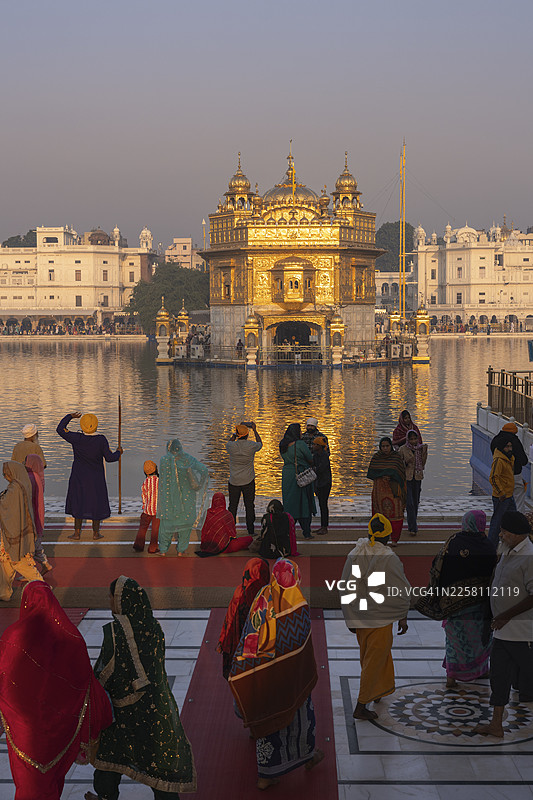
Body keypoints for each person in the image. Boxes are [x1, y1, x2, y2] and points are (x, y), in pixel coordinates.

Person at [85, 576, 196, 799]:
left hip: (123, 712)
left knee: (110, 757)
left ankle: (105, 796)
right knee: (158, 761)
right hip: (156, 707)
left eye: (111, 597)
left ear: (122, 601)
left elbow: (103, 674)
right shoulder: (154, 628)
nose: (109, 601)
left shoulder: (115, 634)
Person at [0, 581, 113, 800]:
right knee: (52, 780)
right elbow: (84, 684)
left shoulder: (13, 636)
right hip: (61, 733)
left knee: (28, 785)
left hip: (25, 732)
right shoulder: (70, 636)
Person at [229, 558, 324, 790]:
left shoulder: (263, 595)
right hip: (290, 676)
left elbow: (250, 635)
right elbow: (302, 645)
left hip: (262, 673)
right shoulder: (298, 603)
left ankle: (266, 775)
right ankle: (308, 756)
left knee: (268, 715)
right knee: (300, 716)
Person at [341, 514, 410, 720]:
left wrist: (349, 618)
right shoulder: (389, 558)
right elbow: (400, 589)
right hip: (380, 619)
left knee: (369, 656)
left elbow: (347, 587)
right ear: (388, 537)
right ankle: (361, 705)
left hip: (361, 616)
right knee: (375, 660)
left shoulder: (356, 553)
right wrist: (403, 616)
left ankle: (377, 690)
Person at [417, 510, 497, 687]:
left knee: (455, 639)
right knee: (479, 639)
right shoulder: (488, 546)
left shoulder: (453, 542)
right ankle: (481, 670)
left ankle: (451, 678)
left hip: (453, 604)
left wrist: (438, 593)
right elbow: (493, 575)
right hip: (479, 606)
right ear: (482, 524)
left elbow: (438, 565)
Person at [474, 511, 533, 739]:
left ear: (517, 535)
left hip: (522, 633)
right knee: (498, 677)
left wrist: (505, 615)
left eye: (504, 532)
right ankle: (496, 724)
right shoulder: (508, 550)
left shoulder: (529, 556)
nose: (500, 535)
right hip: (502, 632)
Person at [56, 412, 122, 541]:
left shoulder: (77, 438)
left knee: (78, 500)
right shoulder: (101, 439)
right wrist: (119, 452)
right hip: (95, 477)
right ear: (95, 426)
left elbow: (60, 429)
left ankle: (76, 533)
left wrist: (70, 416)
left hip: (78, 476)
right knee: (96, 502)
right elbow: (109, 458)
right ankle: (96, 533)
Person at [217, 557, 270, 679]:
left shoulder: (239, 591)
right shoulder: (266, 595)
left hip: (237, 650)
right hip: (258, 653)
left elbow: (229, 620)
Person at [0, 461, 44, 601]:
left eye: (6, 472)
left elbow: (5, 506)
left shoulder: (14, 489)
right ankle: (4, 593)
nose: (4, 475)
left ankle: (43, 589)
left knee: (20, 563)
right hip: (18, 533)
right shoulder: (21, 486)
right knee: (6, 564)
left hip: (14, 535)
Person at [157, 438, 209, 556]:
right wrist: (200, 484)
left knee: (166, 524)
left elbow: (163, 481)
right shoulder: (188, 459)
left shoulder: (164, 460)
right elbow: (204, 470)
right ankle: (181, 550)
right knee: (185, 524)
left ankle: (163, 550)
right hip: (187, 499)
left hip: (169, 499)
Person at [366, 437, 406, 545]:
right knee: (380, 515)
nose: (385, 448)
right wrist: (381, 476)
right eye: (383, 446)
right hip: (379, 490)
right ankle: (380, 537)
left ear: (391, 446)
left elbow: (401, 474)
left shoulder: (396, 458)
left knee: (395, 514)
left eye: (387, 446)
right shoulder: (376, 458)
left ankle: (394, 539)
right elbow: (371, 473)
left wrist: (392, 477)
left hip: (393, 491)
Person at [226, 422, 263, 539]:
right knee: (249, 506)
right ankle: (251, 531)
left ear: (237, 435)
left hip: (234, 481)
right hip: (248, 480)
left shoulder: (230, 446)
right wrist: (255, 430)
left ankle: (231, 531)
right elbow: (260, 443)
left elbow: (230, 440)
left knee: (232, 506)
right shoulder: (251, 446)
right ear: (247, 435)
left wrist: (236, 432)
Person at [280, 423, 316, 539]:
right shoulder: (300, 444)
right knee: (304, 502)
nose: (301, 433)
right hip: (300, 474)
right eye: (300, 431)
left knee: (290, 502)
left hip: (287, 475)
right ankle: (306, 532)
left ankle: (287, 530)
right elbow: (310, 458)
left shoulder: (282, 444)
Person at [196, 492, 253, 556]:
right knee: (249, 539)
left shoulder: (206, 512)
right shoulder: (227, 514)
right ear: (223, 501)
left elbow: (204, 530)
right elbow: (233, 534)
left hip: (207, 545)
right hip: (224, 547)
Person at [491, 422, 528, 513]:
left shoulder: (495, 440)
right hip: (514, 475)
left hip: (501, 476)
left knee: (503, 505)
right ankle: (518, 520)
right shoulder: (513, 441)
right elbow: (523, 460)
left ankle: (505, 523)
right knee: (518, 499)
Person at [25, 454, 52, 573]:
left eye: (25, 461)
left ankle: (32, 572)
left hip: (30, 514)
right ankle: (44, 563)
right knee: (36, 544)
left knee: (29, 545)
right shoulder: (38, 477)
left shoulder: (29, 477)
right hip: (37, 514)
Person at [487, 433, 516, 547]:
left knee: (512, 519)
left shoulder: (509, 459)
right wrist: (501, 493)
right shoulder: (499, 460)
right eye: (507, 446)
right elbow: (493, 477)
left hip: (509, 495)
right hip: (502, 497)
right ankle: (491, 547)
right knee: (497, 522)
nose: (509, 449)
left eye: (510, 446)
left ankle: (510, 542)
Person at [398, 430, 428, 536]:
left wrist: (424, 451)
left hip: (418, 477)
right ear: (407, 439)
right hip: (407, 478)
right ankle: (413, 528)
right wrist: (407, 462)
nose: (413, 441)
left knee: (415, 502)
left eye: (415, 439)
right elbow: (399, 464)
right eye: (411, 439)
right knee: (409, 503)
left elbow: (423, 463)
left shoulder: (421, 448)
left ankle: (412, 524)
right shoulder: (403, 449)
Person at [133, 460, 160, 553]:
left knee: (142, 528)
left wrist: (145, 506)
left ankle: (138, 545)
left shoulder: (145, 482)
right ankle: (153, 548)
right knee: (155, 530)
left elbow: (143, 495)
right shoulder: (159, 481)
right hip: (157, 510)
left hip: (147, 509)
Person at [312, 435, 332, 535]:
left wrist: (314, 469)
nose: (313, 446)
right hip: (319, 483)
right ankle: (322, 526)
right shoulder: (316, 455)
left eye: (315, 444)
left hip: (325, 483)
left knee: (323, 505)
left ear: (320, 446)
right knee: (321, 504)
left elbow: (320, 469)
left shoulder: (324, 456)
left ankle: (324, 527)